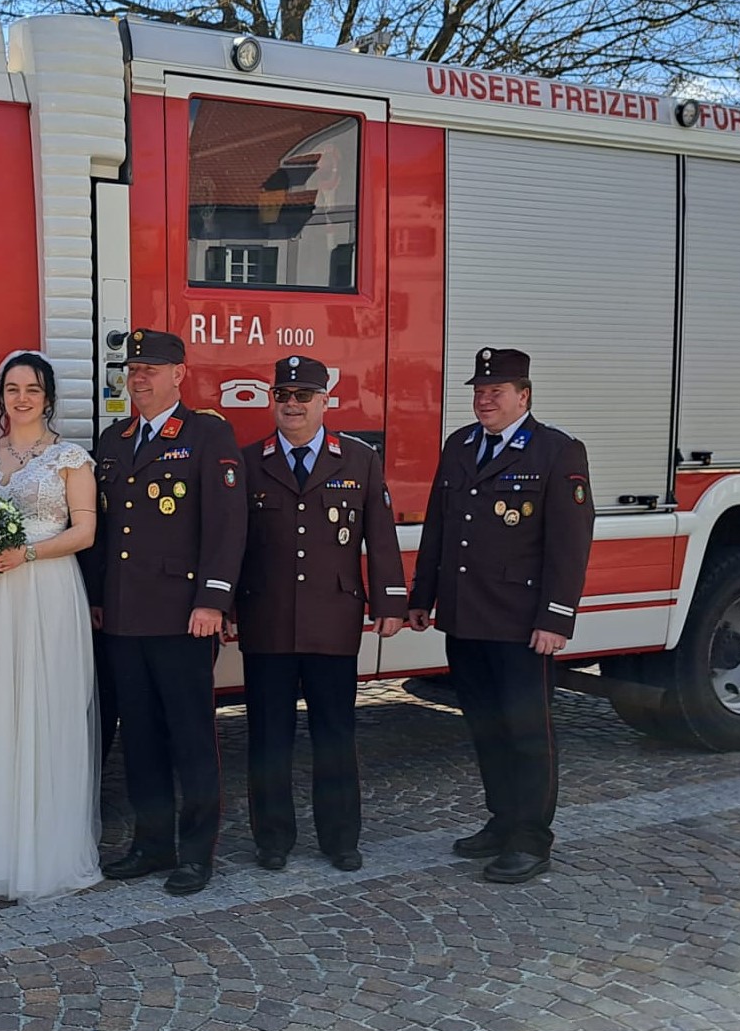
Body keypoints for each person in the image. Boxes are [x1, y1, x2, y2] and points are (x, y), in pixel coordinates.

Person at [407, 347, 594, 884]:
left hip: (520, 624)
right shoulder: (461, 446)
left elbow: (569, 544)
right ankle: (501, 819)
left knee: (527, 730)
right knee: (486, 726)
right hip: (466, 619)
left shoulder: (557, 451)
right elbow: (440, 527)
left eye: (496, 391)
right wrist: (424, 595)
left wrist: (556, 619)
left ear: (523, 396)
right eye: (479, 391)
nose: (484, 399)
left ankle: (532, 839)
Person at [231, 355, 407, 873]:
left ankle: (340, 838)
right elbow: (231, 543)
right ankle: (273, 839)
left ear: (324, 401)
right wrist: (224, 605)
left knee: (335, 734)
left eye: (303, 396)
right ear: (273, 401)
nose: (292, 405)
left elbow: (381, 535)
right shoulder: (248, 460)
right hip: (266, 619)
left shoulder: (357, 459)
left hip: (334, 619)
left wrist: (390, 602)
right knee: (268, 737)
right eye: (283, 396)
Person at [87, 329, 247, 896]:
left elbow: (227, 525)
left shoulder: (207, 434)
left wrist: (213, 599)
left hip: (183, 617)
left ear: (180, 373)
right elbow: (106, 532)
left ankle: (196, 853)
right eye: (133, 369)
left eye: (151, 368)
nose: (139, 377)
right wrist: (100, 598)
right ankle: (152, 844)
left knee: (191, 738)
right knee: (143, 739)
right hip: (126, 618)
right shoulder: (113, 440)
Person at [0, 351, 102, 902]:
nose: (22, 398)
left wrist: (23, 555)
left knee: (43, 708)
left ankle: (43, 854)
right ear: (1, 396)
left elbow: (84, 533)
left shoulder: (70, 459)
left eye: (32, 388)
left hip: (44, 590)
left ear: (49, 396)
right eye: (12, 388)